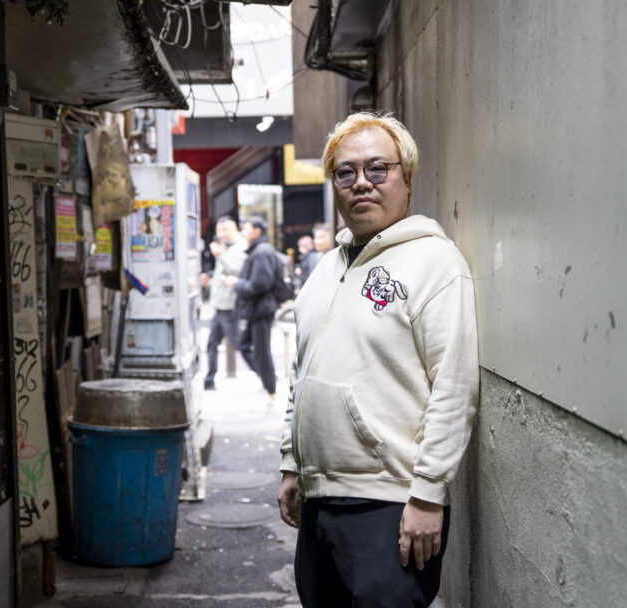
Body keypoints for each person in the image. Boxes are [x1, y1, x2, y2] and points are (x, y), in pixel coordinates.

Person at [276, 112, 479, 607]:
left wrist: (428, 494)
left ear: (406, 178)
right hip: (319, 500)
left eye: (377, 168)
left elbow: (454, 386)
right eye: (345, 172)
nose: (361, 182)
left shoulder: (435, 263)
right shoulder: (326, 269)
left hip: (391, 505)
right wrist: (291, 463)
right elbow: (302, 373)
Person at [225, 217, 279, 398]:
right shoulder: (258, 250)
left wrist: (236, 284)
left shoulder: (261, 252)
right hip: (255, 308)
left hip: (261, 308)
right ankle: (267, 379)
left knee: (262, 351)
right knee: (243, 345)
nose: (243, 231)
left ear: (257, 231)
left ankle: (271, 387)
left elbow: (260, 284)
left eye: (246, 228)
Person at [199, 216, 248, 391]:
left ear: (235, 229)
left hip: (230, 305)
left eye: (225, 229)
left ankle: (266, 377)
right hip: (219, 305)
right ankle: (209, 380)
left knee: (239, 345)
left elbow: (238, 271)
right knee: (212, 343)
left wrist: (221, 255)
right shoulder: (226, 246)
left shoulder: (240, 246)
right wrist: (209, 281)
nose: (222, 233)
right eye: (219, 230)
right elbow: (222, 276)